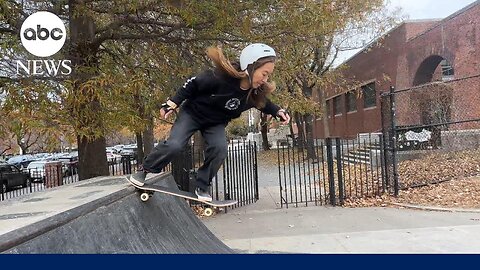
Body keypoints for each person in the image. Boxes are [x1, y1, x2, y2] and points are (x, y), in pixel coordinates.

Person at [129, 43, 290, 201]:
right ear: (250, 66)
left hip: (215, 123)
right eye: (264, 73)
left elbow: (265, 104)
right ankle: (144, 169)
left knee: (220, 149)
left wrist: (278, 111)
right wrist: (173, 102)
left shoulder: (254, 93)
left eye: (268, 75)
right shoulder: (219, 78)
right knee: (175, 145)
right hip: (192, 114)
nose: (265, 79)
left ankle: (202, 186)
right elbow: (192, 83)